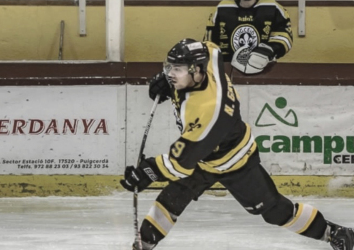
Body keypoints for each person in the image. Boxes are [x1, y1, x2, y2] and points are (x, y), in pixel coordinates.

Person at [120, 38, 354, 250]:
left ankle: (333, 233)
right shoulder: (208, 58)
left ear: (197, 71)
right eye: (169, 67)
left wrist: (147, 171)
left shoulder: (207, 111)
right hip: (203, 157)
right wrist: (170, 83)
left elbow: (179, 165)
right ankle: (144, 244)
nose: (171, 73)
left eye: (177, 70)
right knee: (170, 200)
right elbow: (209, 46)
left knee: (275, 212)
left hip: (236, 162)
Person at [203, 0, 293, 74]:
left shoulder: (274, 7)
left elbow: (285, 37)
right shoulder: (221, 8)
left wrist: (268, 50)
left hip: (264, 71)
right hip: (227, 73)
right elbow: (209, 45)